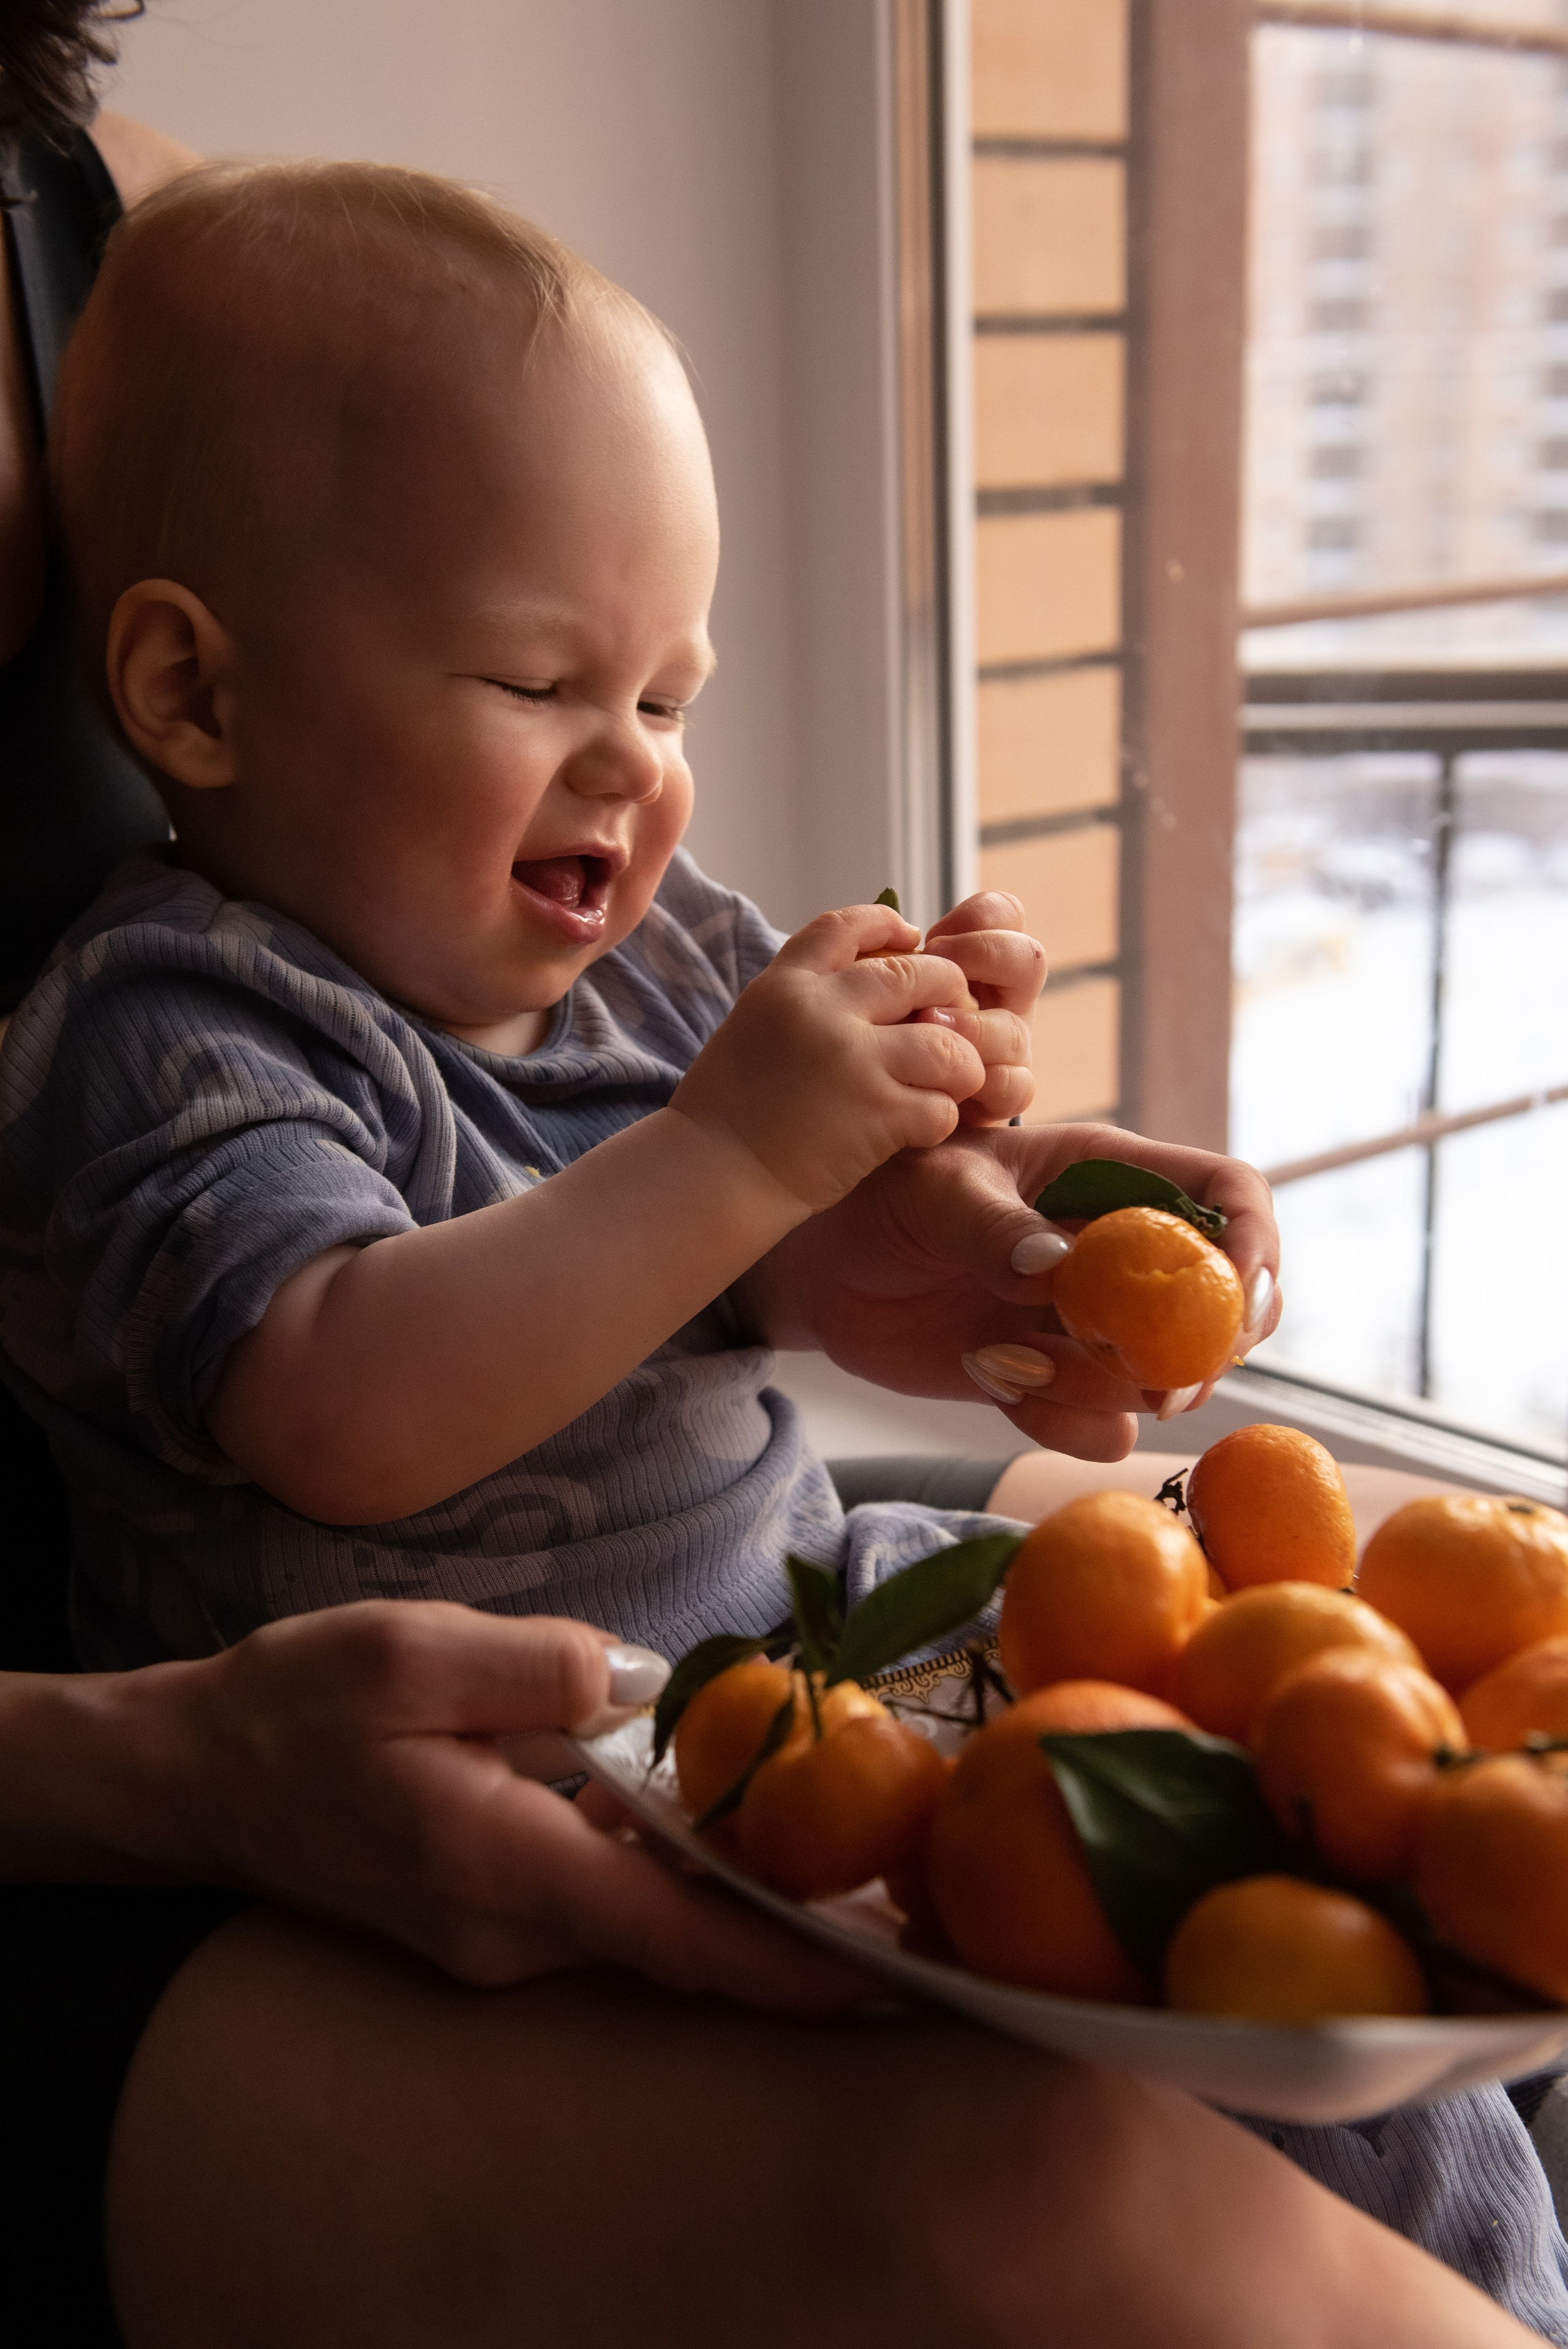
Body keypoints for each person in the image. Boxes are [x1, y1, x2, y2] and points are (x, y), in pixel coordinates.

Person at [0, 18, 1558, 2349]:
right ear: (199, 700)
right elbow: (335, 1399)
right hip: (485, 1792)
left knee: (1279, 1853)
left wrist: (976, 1198)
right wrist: (731, 1162)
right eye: (545, 684)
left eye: (674, 691)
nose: (638, 773)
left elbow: (758, 1225)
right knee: (1095, 2126)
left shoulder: (629, 922)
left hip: (782, 1626)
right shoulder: (176, 1031)